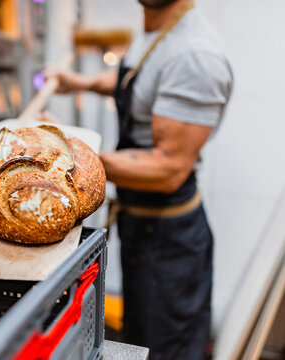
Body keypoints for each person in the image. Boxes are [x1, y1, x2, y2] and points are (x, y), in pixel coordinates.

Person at [45, 0, 233, 359]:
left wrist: (67, 155)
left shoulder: (195, 56)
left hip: (168, 241)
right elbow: (137, 81)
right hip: (140, 226)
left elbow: (167, 169)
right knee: (139, 337)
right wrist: (81, 82)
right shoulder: (157, 27)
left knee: (163, 348)